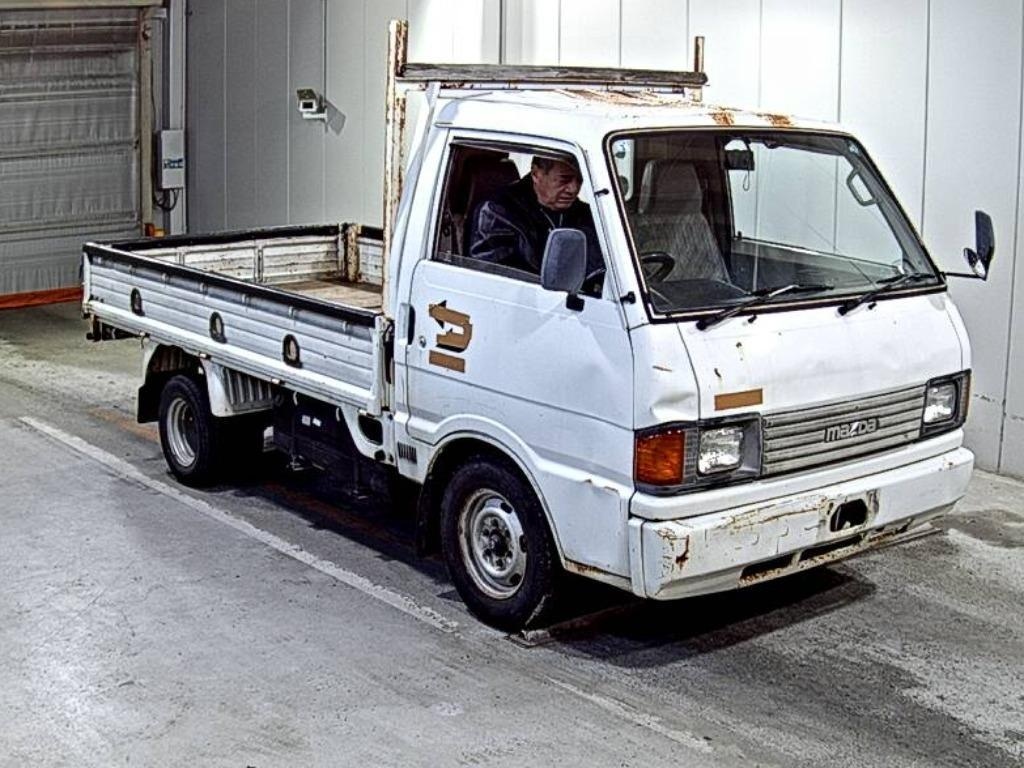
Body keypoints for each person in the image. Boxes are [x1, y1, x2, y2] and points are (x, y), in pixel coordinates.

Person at [469, 156, 604, 284]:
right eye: (564, 179)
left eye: (580, 180)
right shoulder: (496, 212)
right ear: (536, 174)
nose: (574, 189)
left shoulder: (588, 215)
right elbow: (498, 281)